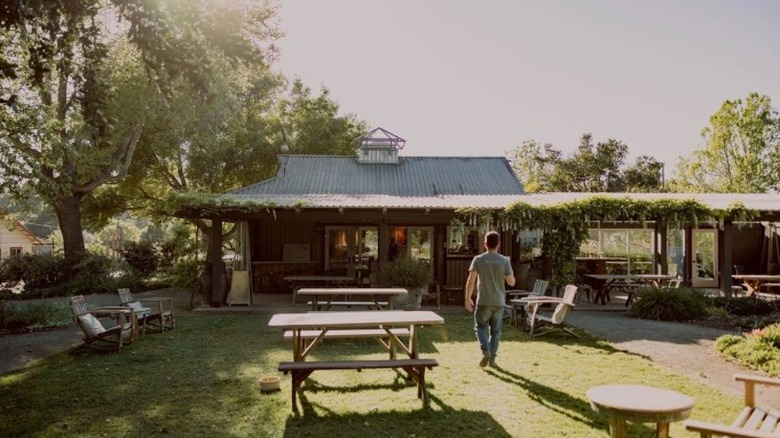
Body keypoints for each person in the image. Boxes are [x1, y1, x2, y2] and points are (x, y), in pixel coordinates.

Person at [464, 230, 515, 368]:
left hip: (483, 301)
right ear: (498, 244)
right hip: (499, 302)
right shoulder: (505, 261)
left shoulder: (478, 259)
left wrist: (467, 299)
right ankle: (492, 360)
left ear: (485, 243)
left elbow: (470, 281)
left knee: (480, 327)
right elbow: (511, 282)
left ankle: (485, 350)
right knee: (496, 332)